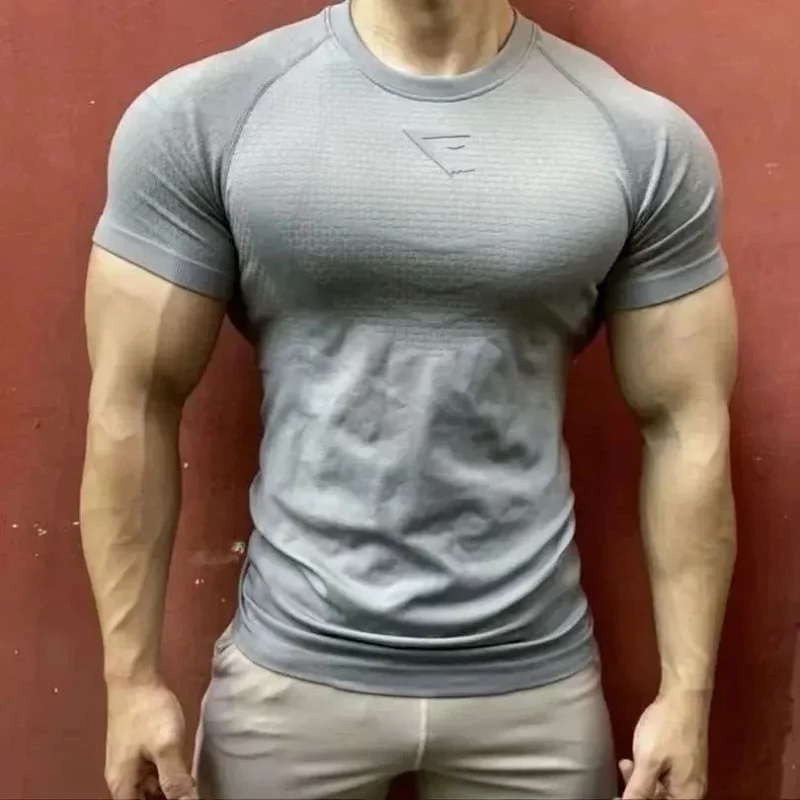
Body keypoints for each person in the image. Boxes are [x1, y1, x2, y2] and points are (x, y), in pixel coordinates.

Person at [80, 0, 738, 797]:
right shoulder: (205, 116)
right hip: (293, 676)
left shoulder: (639, 138)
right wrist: (130, 681)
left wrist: (688, 697)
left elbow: (687, 424)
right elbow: (132, 402)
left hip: (533, 683)